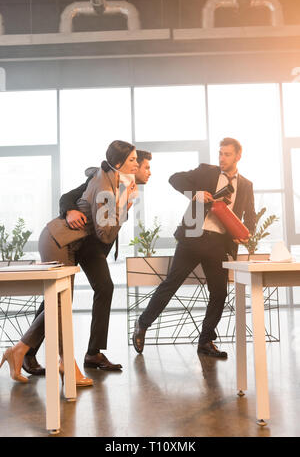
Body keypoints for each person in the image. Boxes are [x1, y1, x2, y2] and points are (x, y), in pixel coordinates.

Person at [0, 140, 138, 384]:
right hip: (59, 240)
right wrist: (125, 207)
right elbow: (106, 233)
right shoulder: (106, 188)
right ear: (118, 164)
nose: (137, 164)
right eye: (133, 160)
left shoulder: (112, 181)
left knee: (59, 301)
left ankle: (20, 351)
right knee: (60, 302)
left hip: (65, 241)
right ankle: (65, 363)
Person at [132, 137, 256, 358]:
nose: (222, 158)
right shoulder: (206, 172)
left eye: (227, 154)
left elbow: (251, 218)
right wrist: (196, 194)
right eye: (220, 153)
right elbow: (175, 179)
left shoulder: (246, 185)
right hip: (192, 238)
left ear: (238, 156)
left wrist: (243, 234)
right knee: (171, 284)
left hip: (219, 244)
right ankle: (142, 324)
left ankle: (206, 341)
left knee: (219, 293)